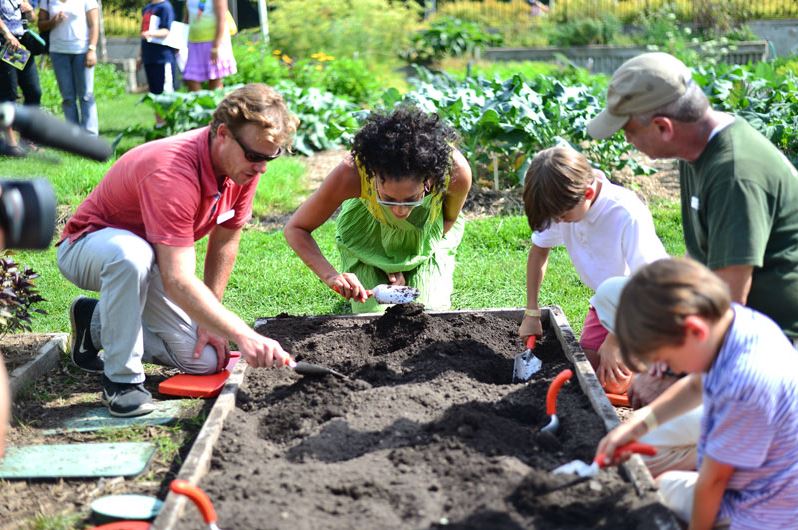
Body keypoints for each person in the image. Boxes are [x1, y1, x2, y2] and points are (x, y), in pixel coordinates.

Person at [57, 83, 298, 418]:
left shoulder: (241, 165)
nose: (261, 168)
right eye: (256, 157)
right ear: (224, 134)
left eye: (269, 158)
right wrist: (244, 335)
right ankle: (121, 381)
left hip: (151, 258)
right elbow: (177, 279)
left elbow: (227, 238)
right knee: (131, 255)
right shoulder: (172, 171)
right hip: (89, 247)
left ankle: (94, 322)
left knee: (204, 360)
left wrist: (211, 320)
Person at [587, 51, 798, 407]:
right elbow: (699, 259)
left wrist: (672, 377)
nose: (626, 142)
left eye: (627, 131)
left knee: (659, 443)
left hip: (770, 334)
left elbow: (732, 301)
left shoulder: (734, 172)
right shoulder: (695, 150)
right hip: (720, 310)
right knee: (613, 294)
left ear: (663, 128)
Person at [596, 258, 798, 529]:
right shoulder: (739, 324)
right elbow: (694, 385)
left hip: (767, 510)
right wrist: (635, 426)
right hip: (760, 477)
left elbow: (714, 481)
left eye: (665, 359)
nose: (665, 369)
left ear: (695, 330)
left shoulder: (745, 384)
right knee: (659, 484)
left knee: (658, 494)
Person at [284, 106, 472, 313]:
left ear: (428, 180)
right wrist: (332, 276)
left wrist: (406, 264)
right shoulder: (350, 174)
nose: (400, 211)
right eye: (388, 199)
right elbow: (297, 228)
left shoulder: (455, 173)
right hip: (367, 239)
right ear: (372, 177)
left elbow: (448, 221)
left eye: (411, 199)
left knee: (431, 313)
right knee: (371, 316)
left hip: (426, 240)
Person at [519, 145, 667, 396]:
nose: (557, 223)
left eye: (563, 217)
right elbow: (538, 252)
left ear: (587, 193)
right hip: (606, 303)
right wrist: (532, 311)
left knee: (614, 383)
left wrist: (615, 339)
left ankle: (662, 375)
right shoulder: (564, 203)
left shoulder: (625, 213)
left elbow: (650, 283)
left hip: (647, 305)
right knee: (585, 369)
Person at [38, 0, 99, 135]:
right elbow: (41, 25)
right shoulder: (47, 1)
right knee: (68, 97)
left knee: (86, 95)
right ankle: (73, 137)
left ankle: (90, 136)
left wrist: (92, 49)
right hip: (58, 52)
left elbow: (94, 24)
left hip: (82, 51)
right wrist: (53, 21)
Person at [0, 0, 42, 156]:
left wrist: (30, 10)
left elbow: (32, 19)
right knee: (8, 94)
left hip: (20, 45)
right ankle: (11, 144)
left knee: (34, 91)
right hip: (5, 44)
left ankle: (27, 138)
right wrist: (7, 34)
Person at [183, 0, 236, 92]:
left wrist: (215, 47)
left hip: (214, 42)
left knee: (214, 79)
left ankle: (215, 104)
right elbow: (187, 18)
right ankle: (199, 104)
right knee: (190, 78)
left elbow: (222, 20)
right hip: (194, 42)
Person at [139, 0, 178, 115]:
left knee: (166, 93)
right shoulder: (147, 8)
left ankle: (170, 123)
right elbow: (143, 34)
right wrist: (139, 56)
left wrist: (151, 33)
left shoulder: (165, 7)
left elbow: (166, 30)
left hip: (162, 56)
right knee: (154, 94)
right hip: (148, 56)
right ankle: (160, 124)